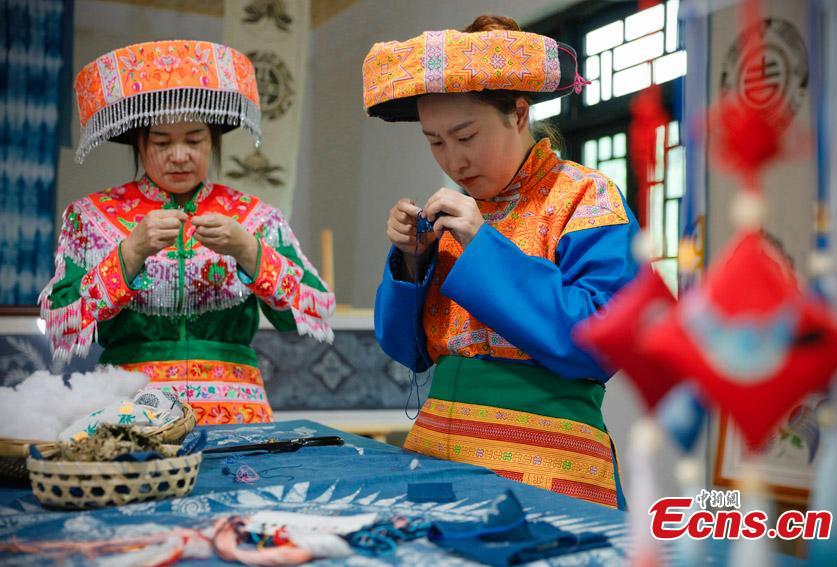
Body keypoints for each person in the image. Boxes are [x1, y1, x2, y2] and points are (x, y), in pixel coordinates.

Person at [364, 15, 639, 509]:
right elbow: (409, 350)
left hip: (549, 465)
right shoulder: (455, 215)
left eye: (465, 136)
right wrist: (411, 262)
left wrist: (483, 246)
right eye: (435, 141)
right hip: (437, 457)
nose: (453, 161)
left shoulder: (586, 198)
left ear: (517, 113)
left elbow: (602, 341)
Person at [40, 40, 334, 425]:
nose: (179, 155)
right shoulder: (91, 217)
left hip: (237, 411)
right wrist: (130, 253)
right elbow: (60, 318)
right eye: (162, 142)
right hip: (131, 409)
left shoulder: (255, 217)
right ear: (139, 144)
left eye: (194, 140)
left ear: (214, 141)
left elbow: (313, 310)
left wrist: (248, 249)